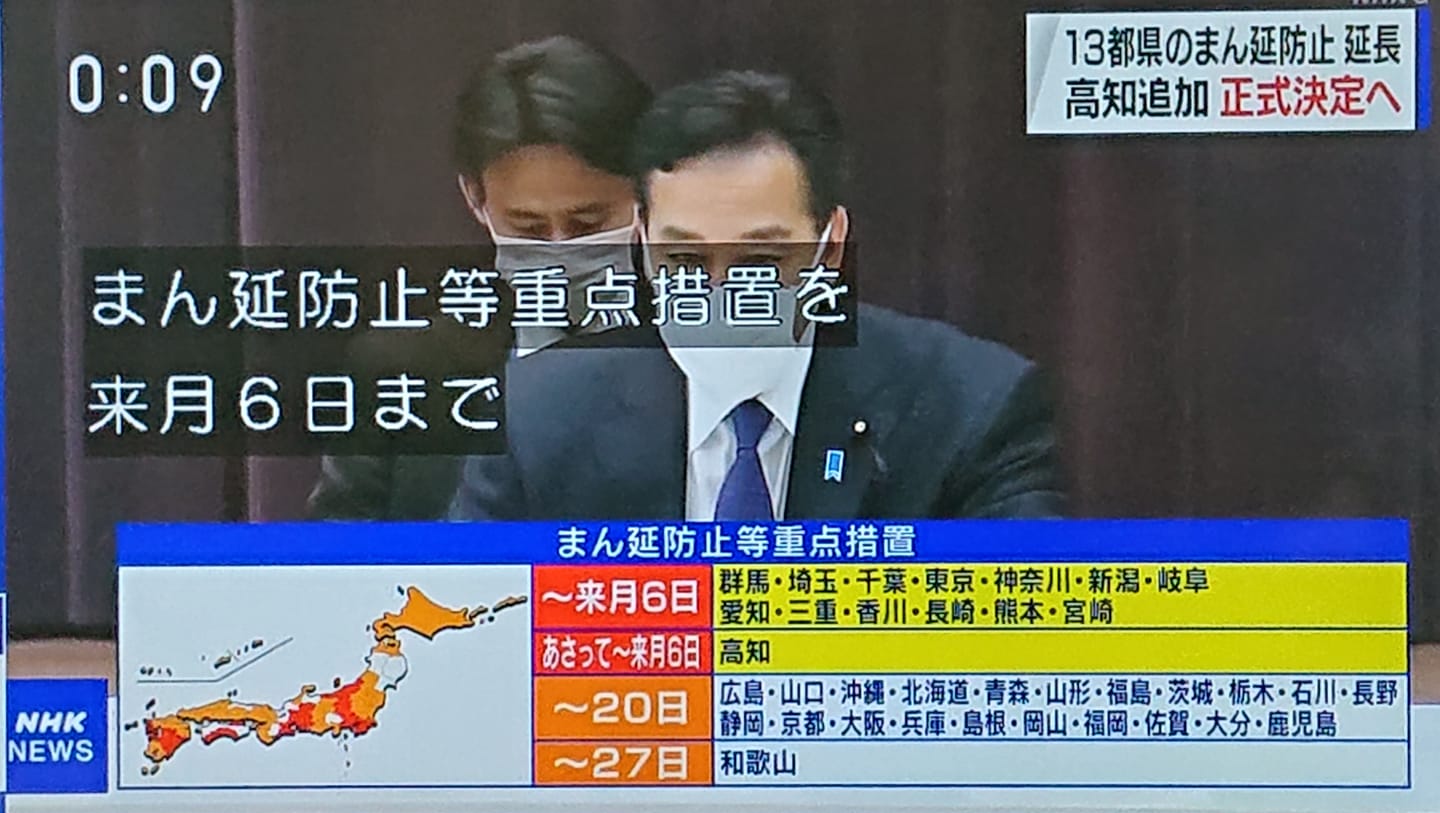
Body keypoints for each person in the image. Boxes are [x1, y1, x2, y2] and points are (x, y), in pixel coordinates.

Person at [449, 69, 1064, 520]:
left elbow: (1023, 636)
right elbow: (477, 628)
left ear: (830, 245)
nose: (721, 296)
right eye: (685, 260)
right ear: (641, 242)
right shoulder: (537, 416)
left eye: (762, 261)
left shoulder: (969, 409)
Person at [306, 36, 653, 519]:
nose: (558, 251)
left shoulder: (699, 351)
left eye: (588, 224)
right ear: (475, 198)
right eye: (528, 228)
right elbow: (340, 548)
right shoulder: (402, 370)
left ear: (647, 191)